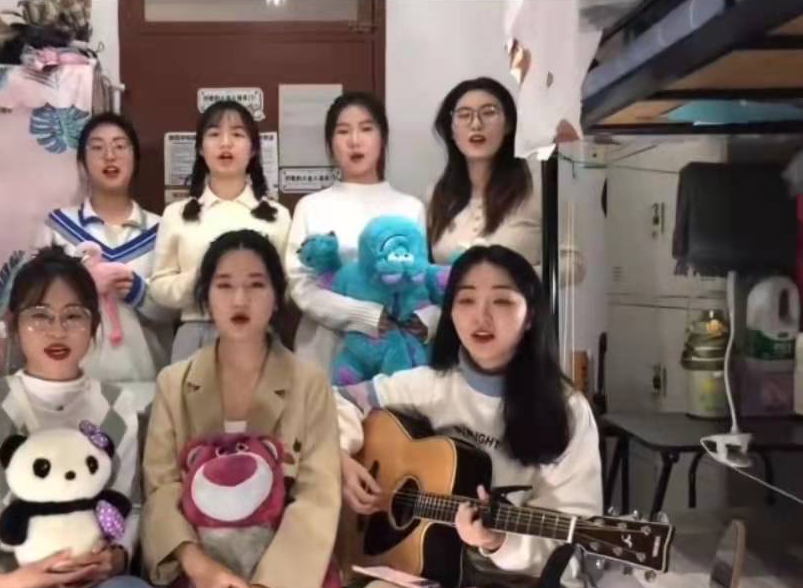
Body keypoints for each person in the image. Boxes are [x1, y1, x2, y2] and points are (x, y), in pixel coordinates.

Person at [335, 244, 601, 588]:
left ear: (531, 316)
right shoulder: (430, 385)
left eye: (502, 301)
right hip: (434, 570)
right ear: (450, 313)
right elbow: (340, 400)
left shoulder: (566, 410)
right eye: (466, 300)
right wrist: (340, 457)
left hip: (526, 583)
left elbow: (577, 535)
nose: (481, 316)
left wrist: (499, 541)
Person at [0, 246, 161, 588]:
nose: (57, 331)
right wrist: (4, 583)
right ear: (14, 324)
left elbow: (131, 507)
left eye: (73, 316)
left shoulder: (117, 405)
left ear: (93, 324)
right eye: (40, 316)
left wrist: (117, 557)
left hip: (91, 578)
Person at [141, 230, 341, 588]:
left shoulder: (310, 382)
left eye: (256, 285)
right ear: (205, 297)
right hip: (202, 573)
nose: (239, 299)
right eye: (224, 285)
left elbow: (318, 495)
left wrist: (272, 587)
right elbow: (160, 490)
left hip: (288, 574)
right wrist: (200, 568)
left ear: (277, 297)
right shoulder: (173, 383)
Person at [285, 92, 433, 376]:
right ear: (330, 143)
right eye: (343, 131)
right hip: (322, 351)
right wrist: (365, 316)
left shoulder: (409, 207)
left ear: (382, 138)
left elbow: (420, 280)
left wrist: (424, 319)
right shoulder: (311, 206)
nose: (355, 140)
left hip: (390, 354)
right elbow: (301, 285)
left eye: (366, 129)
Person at [35, 112, 174, 383]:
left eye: (120, 146)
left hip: (146, 379)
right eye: (97, 148)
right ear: (82, 164)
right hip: (72, 382)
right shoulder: (58, 228)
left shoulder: (163, 230)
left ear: (135, 159)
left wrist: (139, 292)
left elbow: (178, 307)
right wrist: (80, 287)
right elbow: (36, 303)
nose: (110, 156)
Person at [148, 101, 291, 363]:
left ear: (253, 149)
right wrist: (204, 278)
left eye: (237, 134)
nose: (225, 143)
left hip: (260, 334)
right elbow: (158, 288)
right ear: (201, 149)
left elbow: (288, 288)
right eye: (214, 134)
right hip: (196, 332)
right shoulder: (176, 214)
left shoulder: (277, 216)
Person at [427, 76, 584, 284]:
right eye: (464, 115)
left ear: (508, 124)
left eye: (488, 112)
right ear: (451, 131)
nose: (476, 124)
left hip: (519, 304)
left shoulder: (538, 190)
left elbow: (574, 265)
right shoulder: (437, 195)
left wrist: (508, 277)